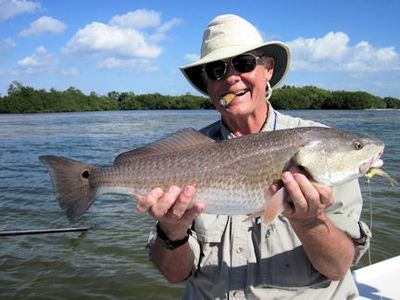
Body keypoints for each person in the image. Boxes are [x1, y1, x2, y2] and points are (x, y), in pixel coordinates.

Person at [137, 14, 371, 299]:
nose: (232, 77)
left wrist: (310, 222)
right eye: (216, 69)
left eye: (245, 63)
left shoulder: (324, 143)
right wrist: (172, 230)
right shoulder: (190, 152)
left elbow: (338, 266)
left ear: (268, 69)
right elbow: (175, 274)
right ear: (207, 83)